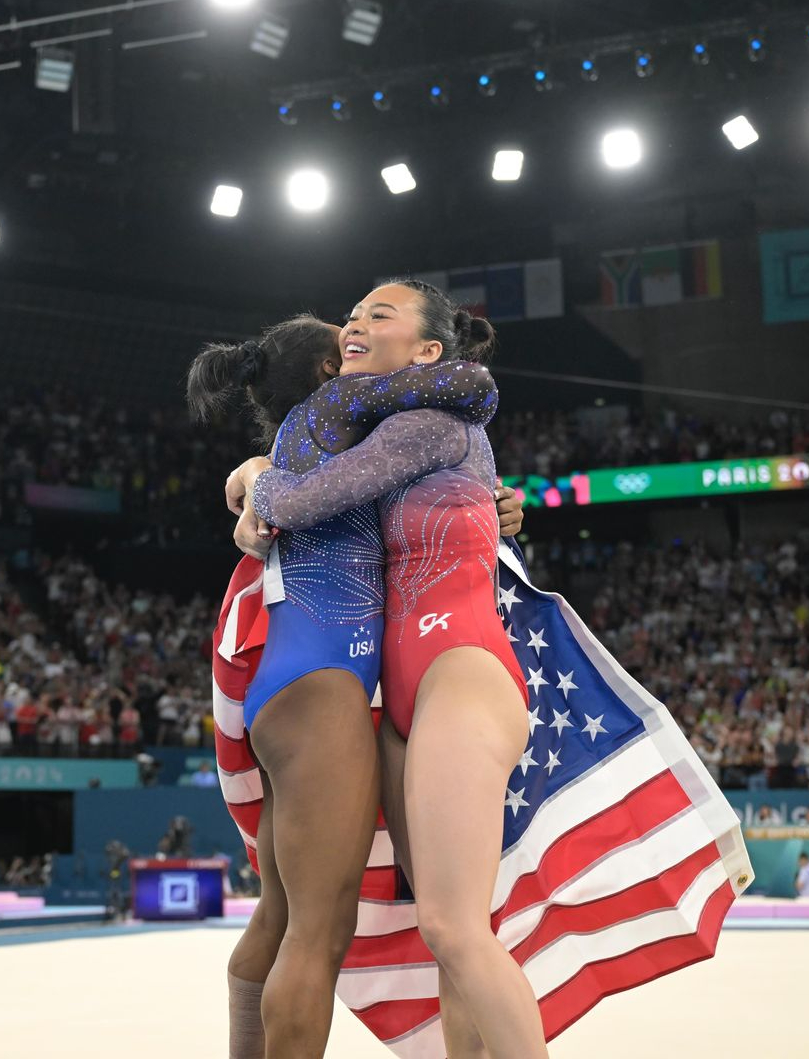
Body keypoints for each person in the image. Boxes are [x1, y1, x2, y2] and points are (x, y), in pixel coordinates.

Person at [227, 282, 552, 1058]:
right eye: (348, 324)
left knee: (324, 921)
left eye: (376, 317)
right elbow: (300, 494)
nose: (355, 328)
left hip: (379, 675)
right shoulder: (340, 433)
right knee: (327, 932)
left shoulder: (406, 428)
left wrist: (496, 503)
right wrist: (252, 478)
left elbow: (324, 491)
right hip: (343, 680)